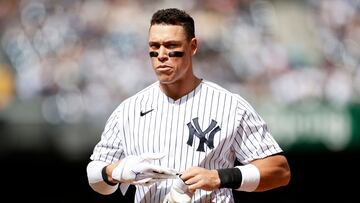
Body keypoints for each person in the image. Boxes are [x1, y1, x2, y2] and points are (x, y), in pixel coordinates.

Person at [86, 8, 291, 203]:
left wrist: (219, 177)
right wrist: (114, 172)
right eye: (154, 47)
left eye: (172, 46)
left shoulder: (230, 105)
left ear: (192, 46)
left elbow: (280, 170)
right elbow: (95, 175)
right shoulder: (128, 110)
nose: (162, 55)